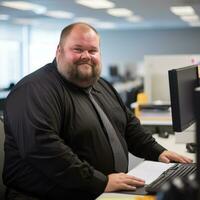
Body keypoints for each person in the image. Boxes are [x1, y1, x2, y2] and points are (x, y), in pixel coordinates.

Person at [3, 22, 192, 200]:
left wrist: (158, 152)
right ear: (59, 51)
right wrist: (99, 182)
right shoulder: (34, 90)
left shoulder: (101, 85)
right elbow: (43, 149)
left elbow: (128, 125)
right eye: (77, 49)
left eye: (92, 50)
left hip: (100, 191)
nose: (86, 56)